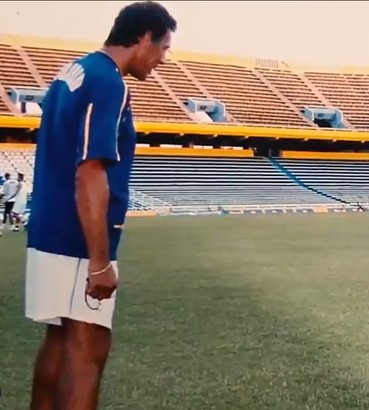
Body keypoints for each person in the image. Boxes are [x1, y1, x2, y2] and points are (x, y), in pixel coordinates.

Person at [25, 2, 176, 409]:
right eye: (163, 48)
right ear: (144, 37)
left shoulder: (72, 72)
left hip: (47, 231)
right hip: (78, 240)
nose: (162, 59)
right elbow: (90, 171)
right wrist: (99, 261)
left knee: (60, 341)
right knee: (88, 350)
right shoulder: (109, 82)